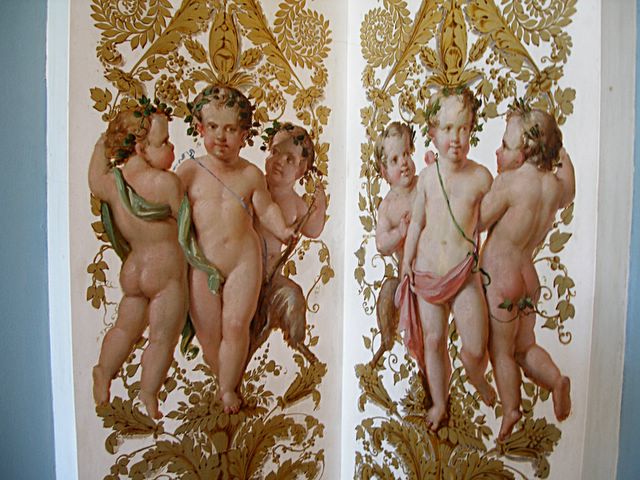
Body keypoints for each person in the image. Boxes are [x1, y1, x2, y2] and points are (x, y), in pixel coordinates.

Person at [176, 85, 294, 414]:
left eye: (230, 129)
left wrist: (282, 229)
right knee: (208, 330)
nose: (221, 136)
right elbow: (171, 209)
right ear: (200, 128)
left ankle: (227, 388)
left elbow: (266, 208)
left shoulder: (250, 174)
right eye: (213, 126)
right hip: (202, 263)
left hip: (244, 260)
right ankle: (224, 376)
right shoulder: (189, 172)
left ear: (244, 135)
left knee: (236, 324)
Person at [399, 88, 496, 430]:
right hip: (427, 273)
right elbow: (416, 224)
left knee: (476, 346)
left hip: (463, 274)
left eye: (463, 128)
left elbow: (491, 223)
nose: (455, 138)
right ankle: (440, 403)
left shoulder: (481, 178)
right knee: (434, 340)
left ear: (472, 130)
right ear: (433, 132)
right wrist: (406, 261)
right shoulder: (427, 178)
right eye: (448, 128)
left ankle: (476, 375)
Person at [479, 106, 574, 440]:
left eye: (505, 146)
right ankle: (555, 380)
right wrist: (559, 152)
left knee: (501, 352)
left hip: (500, 279)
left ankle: (511, 408)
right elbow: (570, 188)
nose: (498, 151)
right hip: (528, 280)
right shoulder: (553, 188)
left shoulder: (509, 183)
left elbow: (478, 220)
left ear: (524, 154)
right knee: (524, 346)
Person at [89, 104, 188, 419]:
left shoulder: (112, 183)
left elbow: (94, 177)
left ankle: (104, 371)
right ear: (141, 148)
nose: (171, 148)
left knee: (124, 328)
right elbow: (188, 226)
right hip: (166, 275)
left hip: (134, 269)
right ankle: (148, 394)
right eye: (164, 142)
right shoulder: (166, 183)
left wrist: (106, 139)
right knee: (161, 338)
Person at [248, 122, 326, 365]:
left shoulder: (295, 203)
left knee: (293, 295)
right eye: (275, 152)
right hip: (245, 271)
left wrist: (320, 205)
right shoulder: (255, 187)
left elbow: (313, 229)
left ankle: (296, 338)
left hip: (273, 275)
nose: (279, 161)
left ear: (301, 169)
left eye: (290, 159)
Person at [371, 122, 417, 367]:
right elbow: (381, 243)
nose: (404, 163)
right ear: (384, 171)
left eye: (407, 154)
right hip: (412, 276)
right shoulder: (388, 206)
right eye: (395, 160)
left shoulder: (423, 184)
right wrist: (400, 232)